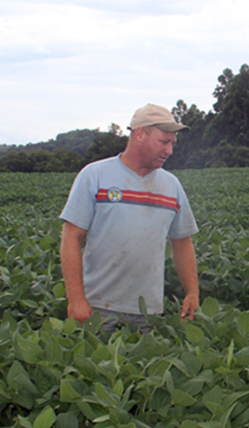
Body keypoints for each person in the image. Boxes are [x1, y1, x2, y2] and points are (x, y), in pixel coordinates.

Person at [59, 104, 199, 334]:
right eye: (164, 142)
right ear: (140, 134)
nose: (169, 150)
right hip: (97, 307)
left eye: (172, 143)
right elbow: (71, 238)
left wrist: (192, 292)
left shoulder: (171, 186)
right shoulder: (94, 176)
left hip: (148, 311)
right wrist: (75, 300)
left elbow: (182, 242)